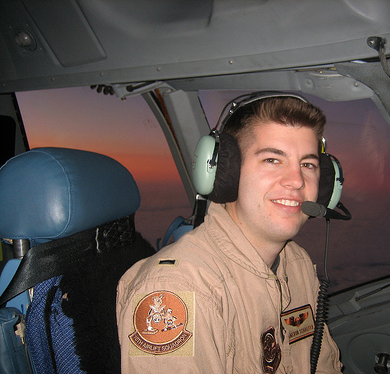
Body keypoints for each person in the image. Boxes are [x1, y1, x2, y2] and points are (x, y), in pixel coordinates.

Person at [116, 92, 343, 373]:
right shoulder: (180, 288)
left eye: (307, 165)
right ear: (228, 172)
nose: (297, 181)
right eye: (273, 160)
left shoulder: (295, 263)